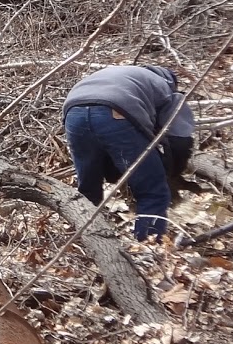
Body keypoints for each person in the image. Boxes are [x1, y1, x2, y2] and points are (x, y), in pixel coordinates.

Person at [62, 64, 194, 242]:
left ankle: (83, 242)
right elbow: (180, 138)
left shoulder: (126, 75)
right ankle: (149, 245)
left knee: (88, 189)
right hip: (116, 111)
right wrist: (171, 171)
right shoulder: (166, 88)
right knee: (152, 190)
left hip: (73, 112)